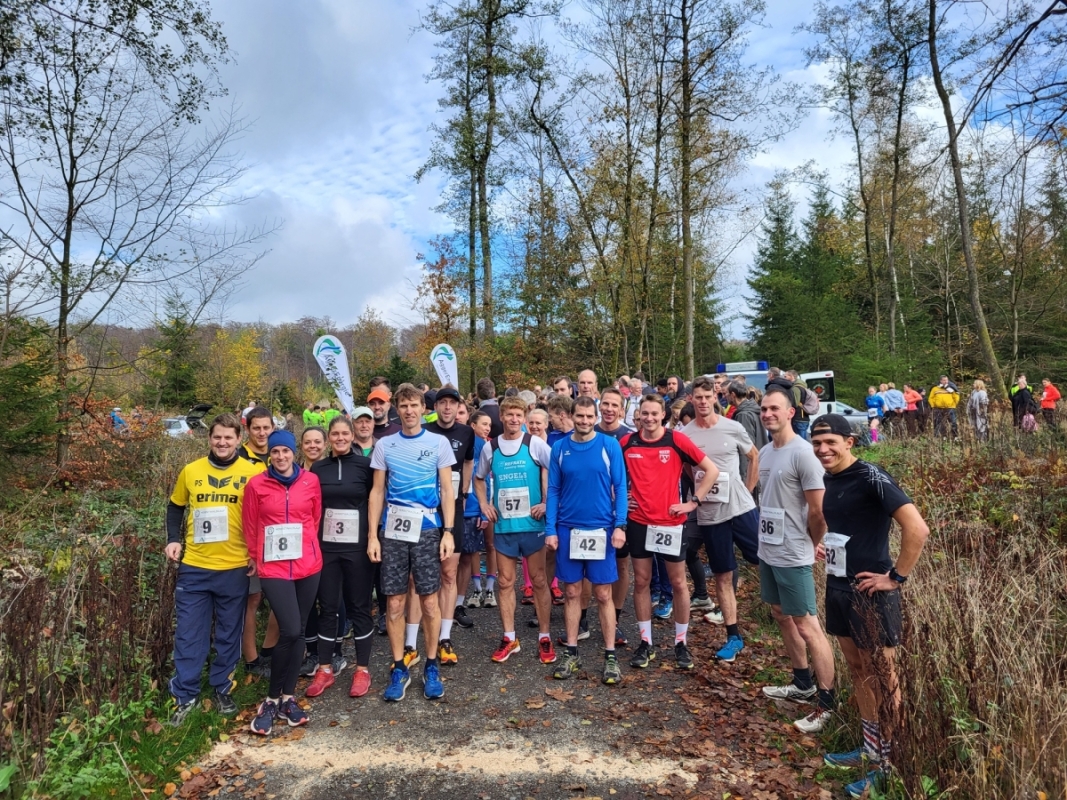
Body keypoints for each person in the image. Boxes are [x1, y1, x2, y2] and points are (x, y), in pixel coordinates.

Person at [811, 415, 930, 798]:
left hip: (871, 592)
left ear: (850, 441)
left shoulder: (872, 476)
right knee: (857, 667)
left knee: (884, 675)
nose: (823, 450)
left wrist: (895, 578)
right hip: (838, 585)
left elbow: (917, 528)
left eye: (831, 442)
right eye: (817, 443)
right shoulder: (830, 479)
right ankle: (870, 747)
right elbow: (847, 524)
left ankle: (890, 764)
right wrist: (825, 543)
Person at [166, 413, 263, 726]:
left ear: (238, 440)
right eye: (217, 437)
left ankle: (223, 687)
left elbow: (261, 516)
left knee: (227, 633)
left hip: (234, 566)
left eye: (228, 438)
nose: (222, 442)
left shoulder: (252, 473)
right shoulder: (191, 470)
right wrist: (172, 539)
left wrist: (255, 553)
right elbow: (175, 505)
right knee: (189, 633)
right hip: (195, 566)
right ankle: (186, 695)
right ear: (209, 439)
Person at [367, 384, 456, 702]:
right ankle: (398, 667)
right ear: (397, 409)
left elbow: (447, 489)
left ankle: (431, 665)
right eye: (403, 405)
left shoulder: (438, 443)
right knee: (393, 602)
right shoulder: (385, 445)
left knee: (430, 601)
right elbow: (377, 491)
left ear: (423, 408)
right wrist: (372, 536)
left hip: (428, 528)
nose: (408, 410)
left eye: (414, 405)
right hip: (393, 532)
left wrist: (448, 531)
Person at [757, 387, 836, 734]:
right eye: (764, 409)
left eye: (775, 408)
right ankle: (802, 682)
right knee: (779, 613)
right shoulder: (765, 452)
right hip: (768, 549)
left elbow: (818, 511)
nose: (768, 413)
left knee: (808, 624)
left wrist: (810, 544)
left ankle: (827, 703)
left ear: (791, 413)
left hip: (793, 553)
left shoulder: (804, 454)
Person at [620, 395, 719, 671]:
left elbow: (711, 470)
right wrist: (621, 497)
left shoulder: (676, 440)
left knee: (677, 583)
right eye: (644, 414)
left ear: (664, 414)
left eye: (655, 413)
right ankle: (645, 641)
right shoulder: (627, 443)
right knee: (641, 582)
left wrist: (693, 502)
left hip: (670, 522)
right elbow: (611, 475)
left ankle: (680, 642)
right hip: (638, 521)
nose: (649, 418)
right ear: (638, 416)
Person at [243, 430, 323, 736]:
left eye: (285, 451)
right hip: (273, 566)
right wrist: (254, 555)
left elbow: (314, 518)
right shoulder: (257, 484)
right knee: (289, 629)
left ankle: (288, 698)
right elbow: (250, 523)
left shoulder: (310, 481)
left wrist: (307, 546)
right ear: (270, 455)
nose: (280, 456)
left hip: (308, 564)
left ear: (294, 453)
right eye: (275, 452)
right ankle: (270, 700)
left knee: (299, 630)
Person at [545, 396, 629, 685]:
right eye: (578, 416)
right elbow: (553, 490)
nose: (583, 420)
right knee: (571, 592)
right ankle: (571, 652)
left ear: (595, 417)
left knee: (603, 594)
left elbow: (620, 485)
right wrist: (551, 529)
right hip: (568, 529)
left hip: (601, 529)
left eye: (587, 416)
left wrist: (620, 525)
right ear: (571, 416)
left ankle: (609, 656)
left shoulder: (609, 446)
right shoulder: (559, 448)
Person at [680, 377, 760, 663]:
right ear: (690, 398)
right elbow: (688, 470)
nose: (702, 402)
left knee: (763, 558)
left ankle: (782, 615)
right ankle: (733, 636)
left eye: (707, 396)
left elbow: (754, 456)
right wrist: (701, 491)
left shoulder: (733, 426)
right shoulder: (685, 434)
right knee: (723, 575)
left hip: (741, 507)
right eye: (697, 397)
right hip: (711, 513)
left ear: (716, 396)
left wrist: (747, 490)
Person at [474, 396, 556, 666]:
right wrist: (484, 504)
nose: (514, 419)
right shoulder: (491, 447)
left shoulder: (535, 444)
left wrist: (546, 503)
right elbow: (478, 478)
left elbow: (556, 472)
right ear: (501, 416)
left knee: (540, 580)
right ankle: (510, 637)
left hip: (532, 526)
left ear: (524, 416)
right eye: (509, 414)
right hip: (505, 527)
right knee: (506, 582)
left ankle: (544, 635)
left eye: (518, 415)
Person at [305, 416, 375, 699]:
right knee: (328, 606)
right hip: (327, 547)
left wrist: (374, 538)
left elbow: (376, 500)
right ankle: (325, 668)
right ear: (329, 438)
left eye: (345, 433)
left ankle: (362, 669)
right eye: (335, 434)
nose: (341, 438)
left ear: (353, 435)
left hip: (357, 547)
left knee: (359, 606)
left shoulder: (366, 466)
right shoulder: (317, 468)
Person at [422, 385, 477, 661]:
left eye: (451, 404)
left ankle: (445, 637)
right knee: (419, 573)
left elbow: (468, 462)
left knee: (449, 572)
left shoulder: (466, 433)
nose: (446, 408)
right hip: (426, 508)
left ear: (458, 408)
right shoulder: (425, 431)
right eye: (442, 403)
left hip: (453, 508)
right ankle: (416, 636)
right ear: (435, 407)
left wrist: (465, 492)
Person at [240, 407, 279, 678]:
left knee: (279, 597)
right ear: (248, 429)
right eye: (257, 428)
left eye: (266, 428)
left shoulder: (279, 454)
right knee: (252, 599)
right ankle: (251, 660)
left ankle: (269, 651)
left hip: (278, 540)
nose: (262, 433)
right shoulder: (238, 456)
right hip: (249, 540)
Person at [464, 410, 498, 610]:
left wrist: (488, 506)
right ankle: (477, 588)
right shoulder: (471, 446)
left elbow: (491, 479)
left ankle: (490, 589)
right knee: (475, 548)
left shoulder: (490, 446)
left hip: (489, 503)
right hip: (475, 505)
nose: (487, 428)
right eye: (483, 424)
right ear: (473, 425)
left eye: (489, 425)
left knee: (491, 545)